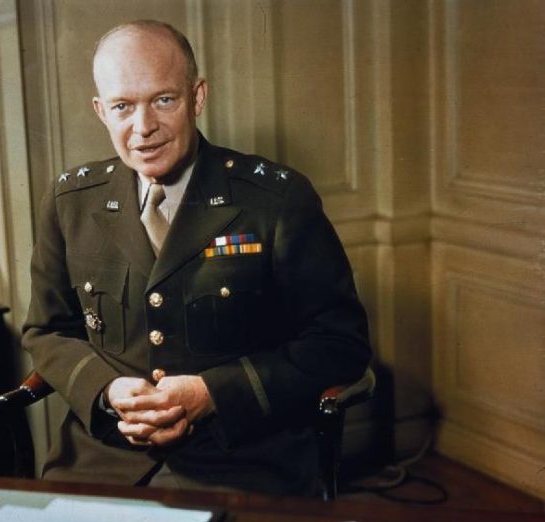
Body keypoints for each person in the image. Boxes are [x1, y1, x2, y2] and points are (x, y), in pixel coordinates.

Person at [22, 20, 371, 495]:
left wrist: (214, 395)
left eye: (163, 100)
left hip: (244, 461)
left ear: (197, 97)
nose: (142, 128)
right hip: (103, 458)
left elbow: (339, 342)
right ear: (101, 111)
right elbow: (47, 330)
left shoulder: (274, 199)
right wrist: (106, 391)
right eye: (123, 106)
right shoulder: (71, 201)